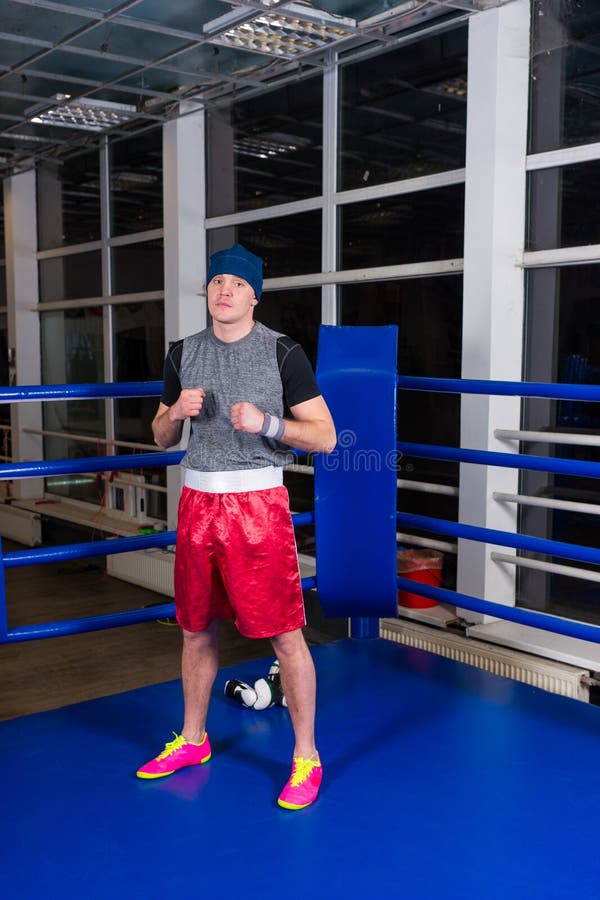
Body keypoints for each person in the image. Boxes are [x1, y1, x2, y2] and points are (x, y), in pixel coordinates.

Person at [136, 243, 336, 810]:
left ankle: (305, 757)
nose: (224, 290)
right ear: (206, 291)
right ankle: (192, 741)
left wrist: (268, 422)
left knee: (284, 634)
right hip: (198, 506)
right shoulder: (182, 352)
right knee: (195, 627)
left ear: (255, 294)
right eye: (216, 280)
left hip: (258, 511)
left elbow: (324, 435)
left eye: (237, 283)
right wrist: (174, 413)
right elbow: (161, 437)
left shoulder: (282, 353)